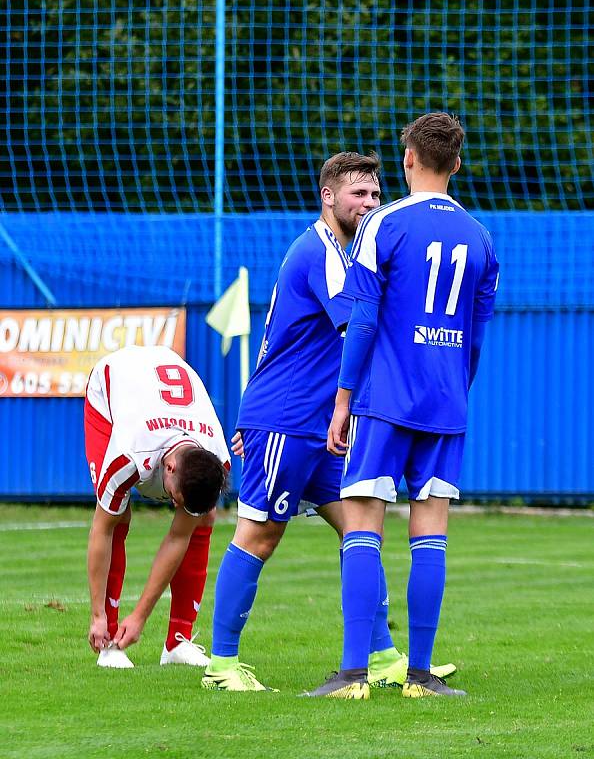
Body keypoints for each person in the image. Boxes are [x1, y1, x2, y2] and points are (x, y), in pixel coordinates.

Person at [201, 151, 455, 692]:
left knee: (358, 529)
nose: (368, 203)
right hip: (288, 418)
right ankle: (220, 665)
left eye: (374, 194)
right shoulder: (322, 251)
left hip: (322, 424)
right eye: (357, 194)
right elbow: (360, 325)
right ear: (328, 197)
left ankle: (383, 655)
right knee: (261, 533)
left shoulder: (347, 248)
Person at [306, 113, 499, 699]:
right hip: (445, 403)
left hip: (386, 400)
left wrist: (343, 401)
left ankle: (352, 675)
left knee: (363, 523)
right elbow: (476, 337)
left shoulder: (382, 224)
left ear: (409, 159)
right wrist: (454, 392)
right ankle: (419, 674)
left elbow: (362, 322)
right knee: (430, 533)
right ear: (457, 164)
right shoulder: (481, 238)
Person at [85, 344, 230, 668]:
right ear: (170, 468)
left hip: (162, 382)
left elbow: (178, 537)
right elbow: (100, 530)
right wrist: (96, 614)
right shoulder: (129, 457)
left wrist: (139, 617)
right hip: (110, 387)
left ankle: (178, 642)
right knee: (117, 514)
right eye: (175, 499)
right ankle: (107, 639)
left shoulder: (217, 457)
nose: (172, 505)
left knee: (204, 518)